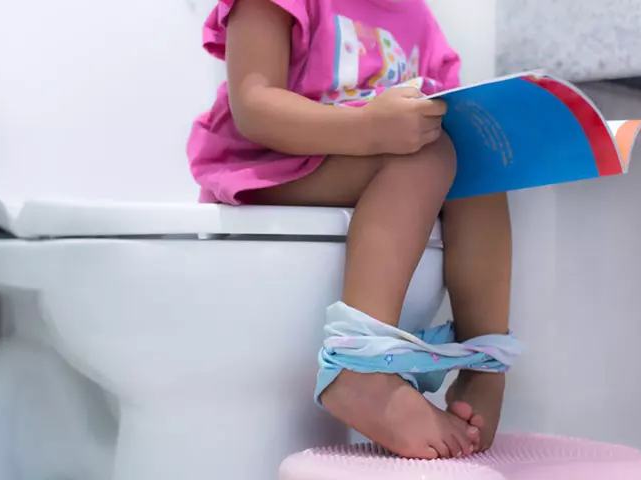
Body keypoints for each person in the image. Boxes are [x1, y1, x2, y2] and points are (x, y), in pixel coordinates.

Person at [187, 0, 513, 460]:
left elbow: (455, 122)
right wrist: (368, 128)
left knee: (480, 171)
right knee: (426, 158)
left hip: (367, 167)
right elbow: (254, 106)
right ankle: (360, 369)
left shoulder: (417, 19)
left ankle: (485, 367)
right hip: (269, 165)